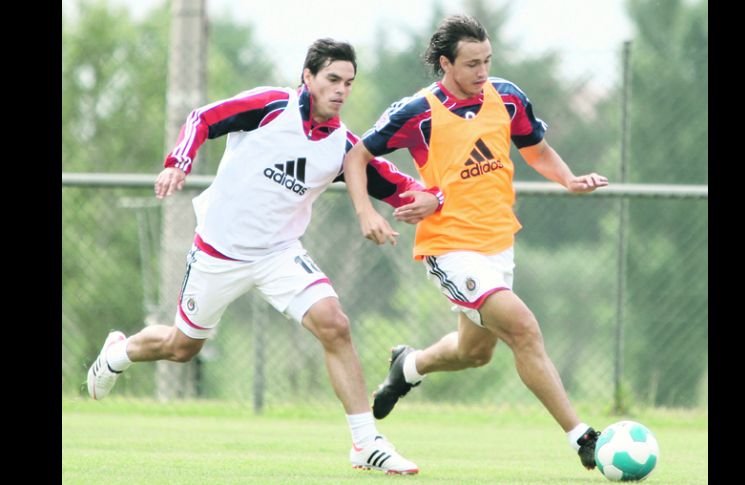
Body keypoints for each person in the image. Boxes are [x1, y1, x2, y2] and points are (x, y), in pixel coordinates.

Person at [86, 38, 443, 475]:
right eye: (332, 79)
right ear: (307, 77)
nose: (341, 90)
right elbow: (203, 118)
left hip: (279, 255)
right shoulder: (271, 106)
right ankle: (119, 353)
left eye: (348, 82)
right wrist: (178, 161)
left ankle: (365, 443)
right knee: (182, 347)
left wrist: (433, 198)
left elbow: (398, 183)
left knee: (335, 325)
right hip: (218, 252)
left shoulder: (344, 147)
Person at [343, 15, 609, 471]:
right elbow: (356, 155)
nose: (482, 71)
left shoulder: (506, 97)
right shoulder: (418, 111)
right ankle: (581, 436)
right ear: (445, 63)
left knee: (475, 353)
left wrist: (568, 179)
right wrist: (368, 212)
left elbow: (535, 149)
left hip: (497, 242)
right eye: (471, 64)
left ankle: (407, 367)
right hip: (449, 246)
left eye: (487, 60)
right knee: (523, 328)